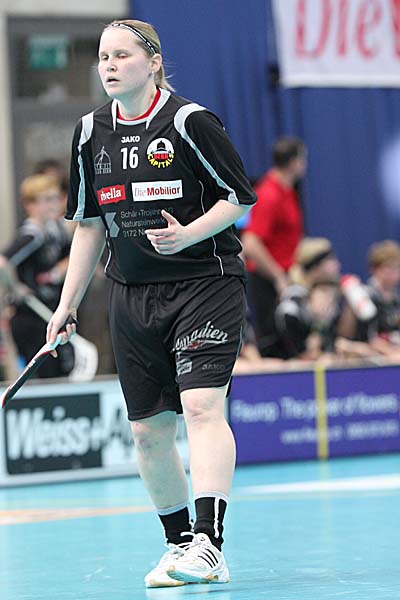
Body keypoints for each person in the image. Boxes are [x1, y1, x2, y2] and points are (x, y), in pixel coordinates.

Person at [46, 19, 256, 588]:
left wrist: (188, 234)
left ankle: (210, 543)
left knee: (202, 408)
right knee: (148, 431)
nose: (109, 66)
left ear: (154, 62)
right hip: (132, 293)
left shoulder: (190, 122)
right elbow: (89, 225)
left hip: (204, 283)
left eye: (122, 55)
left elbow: (239, 197)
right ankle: (179, 542)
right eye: (103, 57)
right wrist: (67, 305)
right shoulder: (89, 133)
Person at [0, 174, 74, 378]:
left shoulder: (55, 229)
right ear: (30, 205)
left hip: (50, 313)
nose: (55, 204)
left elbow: (75, 255)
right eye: (47, 199)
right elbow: (3, 262)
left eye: (56, 198)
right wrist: (16, 288)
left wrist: (56, 272)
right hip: (30, 318)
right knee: (43, 375)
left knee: (61, 372)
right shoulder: (31, 235)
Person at [241, 136, 306, 357]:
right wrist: (278, 276)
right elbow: (250, 243)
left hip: (283, 281)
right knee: (273, 349)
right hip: (267, 285)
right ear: (294, 162)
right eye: (303, 159)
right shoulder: (269, 194)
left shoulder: (288, 191)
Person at [337, 240, 400, 361]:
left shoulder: (396, 299)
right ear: (375, 269)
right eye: (389, 268)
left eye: (397, 268)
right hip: (366, 360)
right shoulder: (362, 296)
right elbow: (345, 336)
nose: (394, 274)